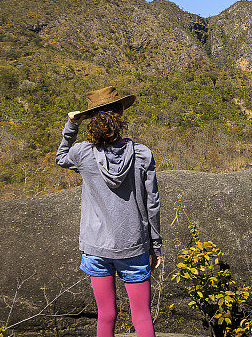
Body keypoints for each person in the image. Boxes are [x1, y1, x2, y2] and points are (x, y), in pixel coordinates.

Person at [55, 86, 162, 337]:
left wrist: (71, 125)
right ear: (121, 115)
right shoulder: (142, 154)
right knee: (142, 315)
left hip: (96, 246)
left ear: (92, 120)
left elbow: (61, 156)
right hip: (133, 246)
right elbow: (152, 203)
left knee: (106, 315)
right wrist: (155, 247)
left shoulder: (82, 153)